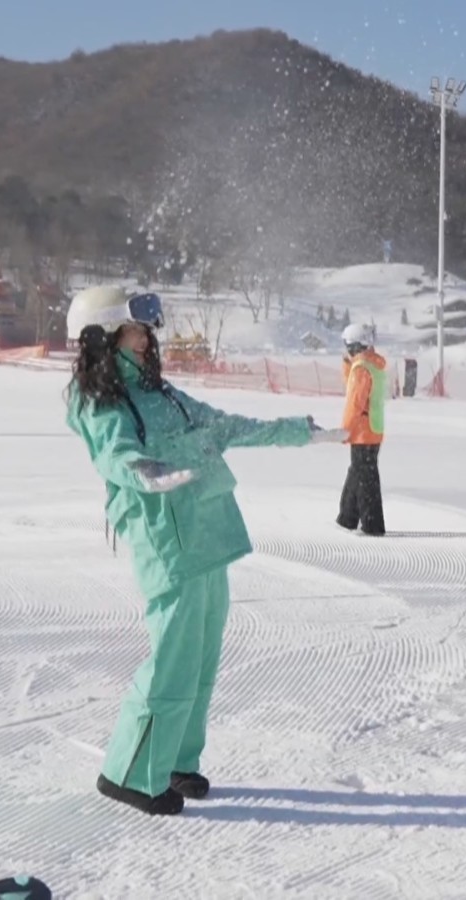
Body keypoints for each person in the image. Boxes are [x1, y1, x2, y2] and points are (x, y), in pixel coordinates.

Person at [63, 286, 345, 816]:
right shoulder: (101, 402)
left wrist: (296, 433)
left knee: (200, 659)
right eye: (134, 331)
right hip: (166, 541)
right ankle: (129, 772)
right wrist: (143, 470)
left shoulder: (162, 394)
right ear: (103, 337)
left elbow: (222, 425)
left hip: (207, 534)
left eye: (146, 331)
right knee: (172, 657)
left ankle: (174, 761)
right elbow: (112, 449)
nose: (146, 340)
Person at [337, 322, 388, 536]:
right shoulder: (371, 364)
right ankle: (347, 518)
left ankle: (372, 525)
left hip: (362, 430)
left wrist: (345, 430)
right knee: (358, 471)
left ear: (356, 345)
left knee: (365, 477)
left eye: (348, 346)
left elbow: (355, 402)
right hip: (373, 428)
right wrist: (349, 365)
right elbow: (353, 382)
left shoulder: (362, 369)